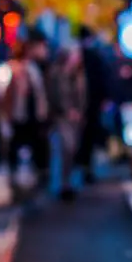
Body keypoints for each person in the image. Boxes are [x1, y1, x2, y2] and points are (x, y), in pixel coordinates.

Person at [0, 30, 50, 187]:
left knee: (36, 143)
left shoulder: (34, 68)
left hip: (32, 114)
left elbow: (39, 92)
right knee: (16, 143)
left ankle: (38, 173)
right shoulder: (13, 69)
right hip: (19, 113)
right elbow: (6, 94)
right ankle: (14, 174)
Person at [47, 45, 87, 200]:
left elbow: (83, 96)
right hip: (62, 117)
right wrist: (67, 110)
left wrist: (79, 111)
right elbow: (55, 97)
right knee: (65, 148)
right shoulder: (57, 75)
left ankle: (69, 182)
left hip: (75, 118)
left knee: (72, 149)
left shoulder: (78, 75)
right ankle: (62, 184)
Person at [76, 27, 112, 184]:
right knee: (88, 137)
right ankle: (86, 169)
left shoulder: (80, 57)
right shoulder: (93, 56)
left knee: (82, 138)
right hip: (90, 104)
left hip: (82, 105)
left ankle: (82, 168)